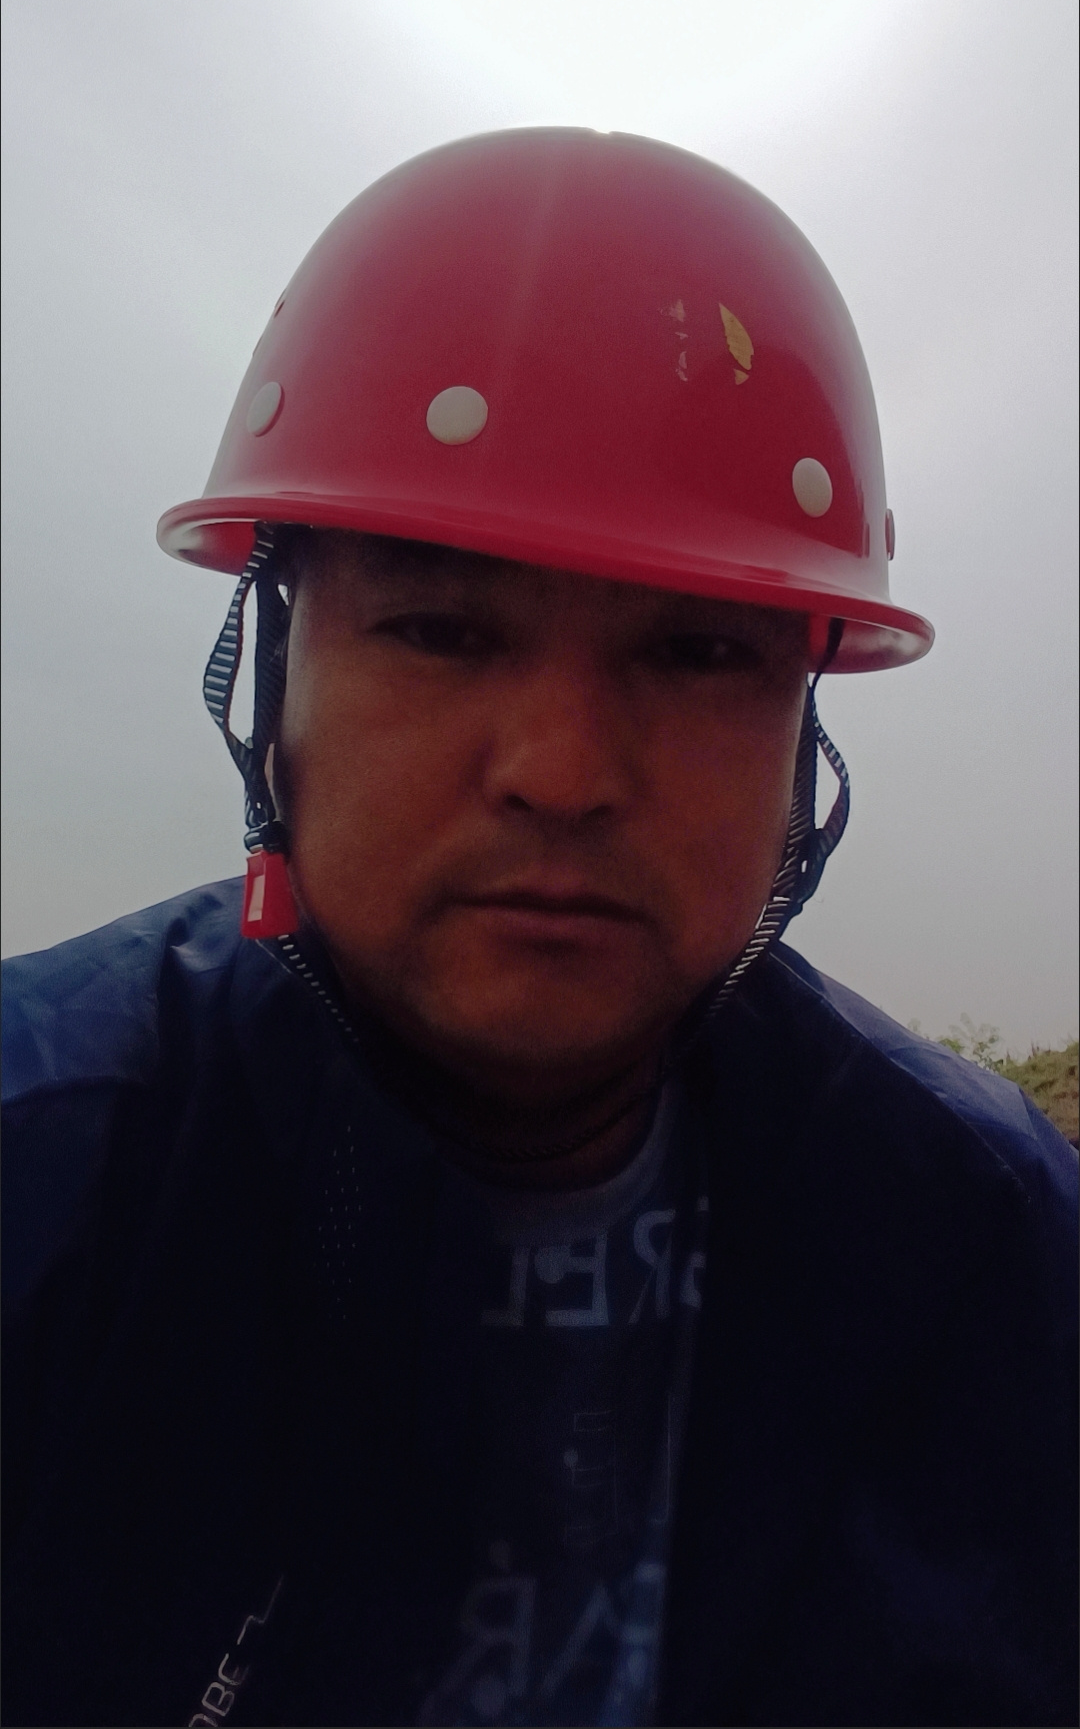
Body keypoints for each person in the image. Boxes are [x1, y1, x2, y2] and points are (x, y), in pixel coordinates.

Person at [2, 129, 1075, 1729]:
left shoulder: (989, 1248)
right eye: (442, 629)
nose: (562, 773)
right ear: (273, 677)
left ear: (803, 727)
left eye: (699, 654)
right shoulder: (46, 1179)